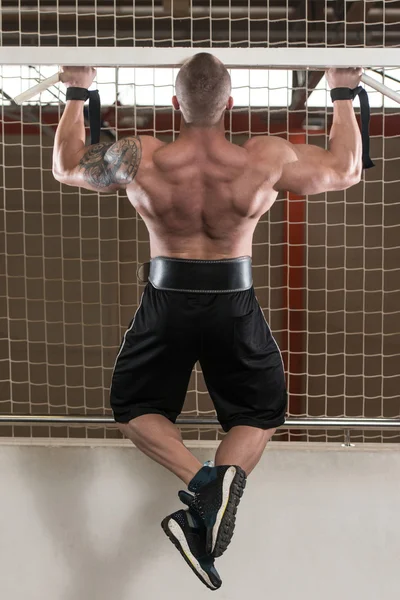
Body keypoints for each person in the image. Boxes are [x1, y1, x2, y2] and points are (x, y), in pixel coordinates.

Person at [53, 54, 362, 591]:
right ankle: (211, 492)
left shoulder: (141, 155)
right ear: (230, 105)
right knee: (261, 411)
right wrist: (340, 92)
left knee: (133, 408)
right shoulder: (264, 157)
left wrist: (79, 90)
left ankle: (202, 485)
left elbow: (65, 165)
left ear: (176, 104)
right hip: (233, 301)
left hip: (166, 300)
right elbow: (346, 170)